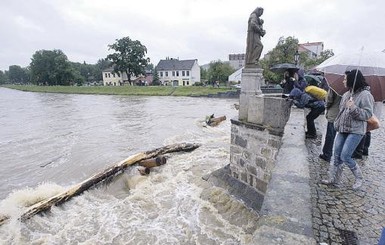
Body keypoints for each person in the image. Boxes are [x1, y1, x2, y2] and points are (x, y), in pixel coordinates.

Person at [322, 69, 374, 190]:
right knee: (337, 154)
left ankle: (359, 178)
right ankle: (334, 179)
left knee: (345, 156)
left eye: (345, 79)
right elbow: (342, 112)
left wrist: (354, 108)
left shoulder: (366, 95)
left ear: (352, 80)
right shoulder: (346, 95)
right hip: (343, 129)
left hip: (356, 131)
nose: (343, 81)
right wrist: (337, 123)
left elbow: (367, 114)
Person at [319, 89, 342, 162]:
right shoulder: (351, 87)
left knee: (330, 135)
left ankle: (327, 154)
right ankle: (340, 157)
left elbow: (329, 100)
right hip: (344, 115)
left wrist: (327, 106)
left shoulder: (334, 87)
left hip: (334, 114)